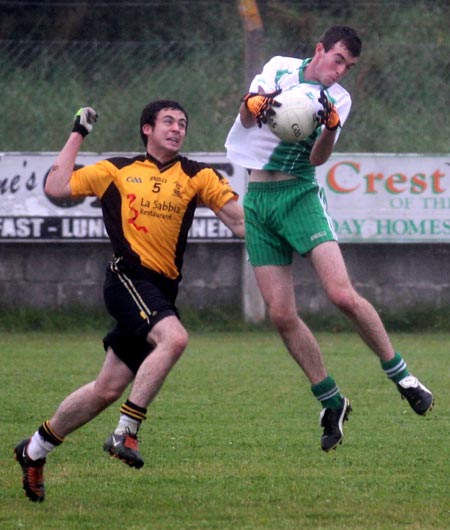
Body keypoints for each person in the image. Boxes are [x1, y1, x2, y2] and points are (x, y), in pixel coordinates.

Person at [14, 100, 245, 503]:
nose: (176, 128)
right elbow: (55, 187)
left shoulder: (196, 175)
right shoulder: (115, 170)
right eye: (168, 122)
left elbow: (240, 222)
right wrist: (78, 133)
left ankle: (34, 450)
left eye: (182, 124)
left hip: (161, 291)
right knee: (174, 339)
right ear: (147, 129)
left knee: (106, 389)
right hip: (127, 279)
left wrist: (279, 217)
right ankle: (127, 431)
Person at [225, 25, 433, 453]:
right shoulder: (279, 68)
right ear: (319, 50)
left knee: (341, 294)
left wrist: (331, 129)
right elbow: (246, 117)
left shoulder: (338, 100)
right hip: (258, 199)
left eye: (349, 67)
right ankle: (331, 401)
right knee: (281, 315)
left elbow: (319, 158)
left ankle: (403, 376)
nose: (340, 72)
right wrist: (256, 103)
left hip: (299, 193)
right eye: (337, 60)